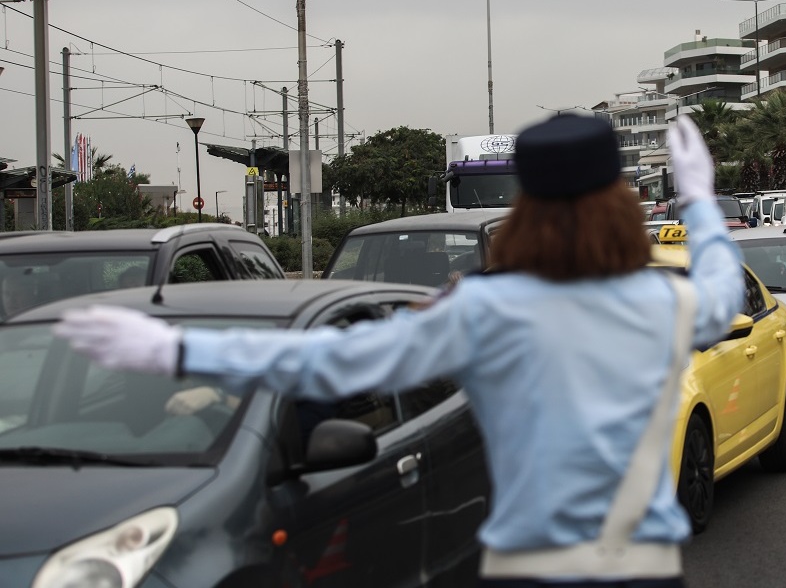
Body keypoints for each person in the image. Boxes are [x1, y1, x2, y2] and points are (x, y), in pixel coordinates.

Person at [53, 113, 743, 588]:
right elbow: (721, 292)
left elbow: (327, 361)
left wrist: (175, 349)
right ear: (620, 207)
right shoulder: (661, 306)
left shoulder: (484, 312)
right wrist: (699, 200)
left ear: (525, 207)